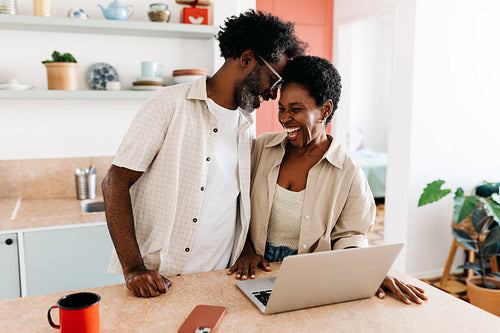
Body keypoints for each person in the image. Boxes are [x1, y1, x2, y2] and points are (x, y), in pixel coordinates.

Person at [101, 10, 306, 298]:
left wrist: (246, 248)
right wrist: (133, 268)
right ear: (247, 59)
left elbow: (231, 196)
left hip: (221, 279)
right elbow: (114, 182)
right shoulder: (168, 105)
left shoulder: (246, 125)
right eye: (273, 81)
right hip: (161, 279)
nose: (273, 94)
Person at [228, 55, 427, 305]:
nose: (284, 118)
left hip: (311, 276)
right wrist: (247, 248)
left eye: (296, 109)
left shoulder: (348, 171)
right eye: (282, 108)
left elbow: (351, 235)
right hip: (255, 267)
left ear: (325, 110)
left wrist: (369, 271)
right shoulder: (262, 148)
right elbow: (237, 204)